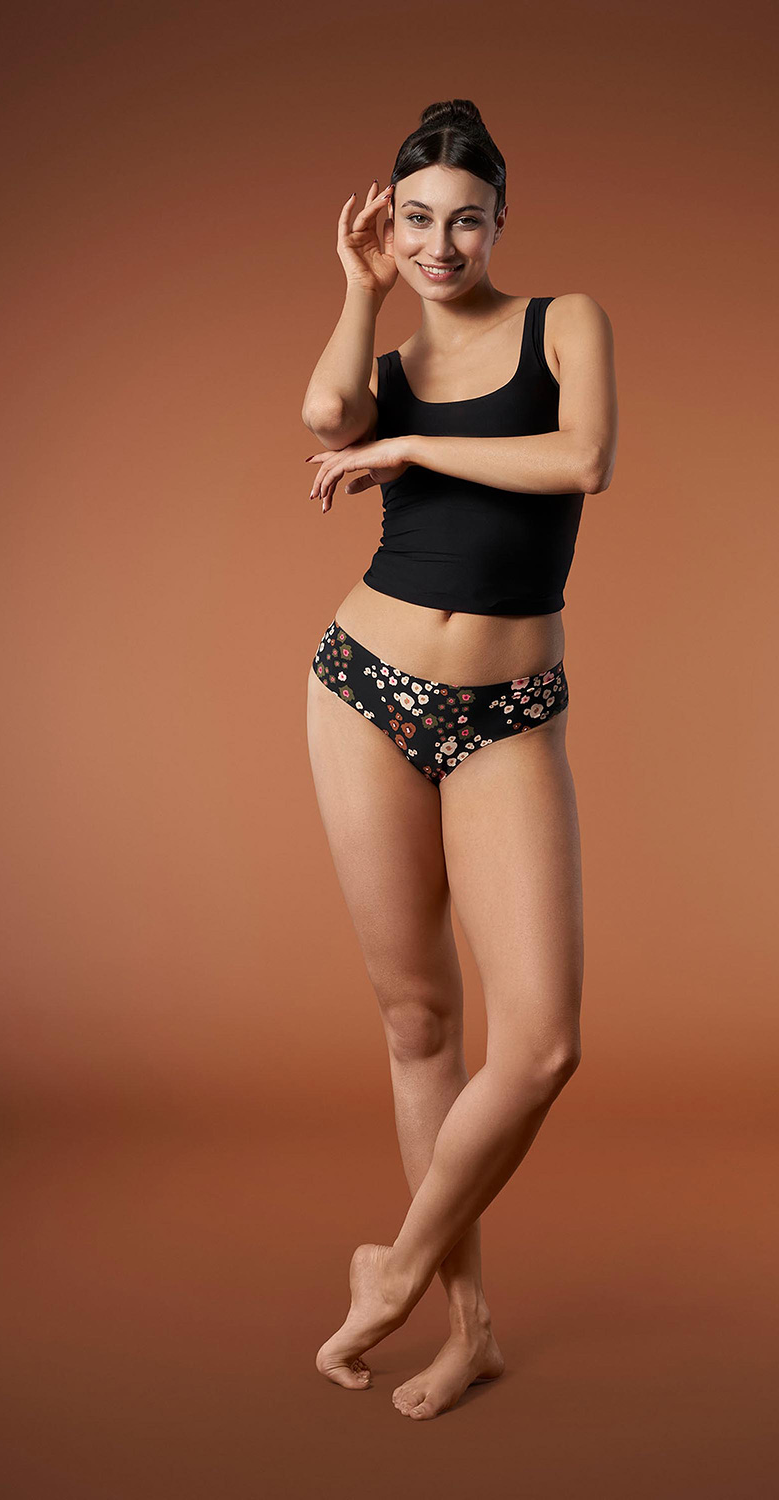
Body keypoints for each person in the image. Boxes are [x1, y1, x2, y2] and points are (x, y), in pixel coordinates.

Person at [303, 97, 617, 1420]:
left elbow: (585, 461)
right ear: (394, 225)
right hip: (364, 690)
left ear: (500, 221)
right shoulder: (388, 352)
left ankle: (395, 1269)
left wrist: (415, 444)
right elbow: (325, 415)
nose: (441, 244)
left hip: (507, 712)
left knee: (538, 1043)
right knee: (420, 1023)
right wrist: (358, 291)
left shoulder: (564, 323)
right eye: (418, 220)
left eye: (466, 221)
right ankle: (467, 1325)